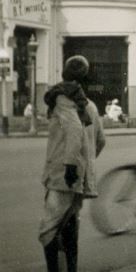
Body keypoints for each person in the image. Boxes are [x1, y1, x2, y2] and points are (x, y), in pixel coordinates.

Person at [39, 55, 105, 272]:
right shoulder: (91, 107)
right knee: (69, 224)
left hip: (63, 176)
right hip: (79, 177)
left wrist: (70, 165)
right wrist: (84, 163)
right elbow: (100, 141)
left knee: (47, 230)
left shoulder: (63, 100)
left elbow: (75, 130)